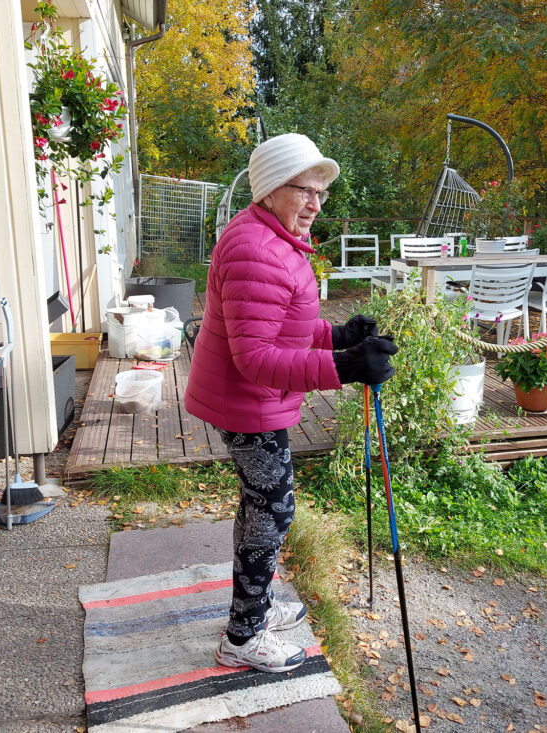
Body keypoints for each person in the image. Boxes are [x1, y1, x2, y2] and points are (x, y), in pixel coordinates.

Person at [184, 133, 398, 674]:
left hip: (255, 400)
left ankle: (251, 610)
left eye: (322, 192)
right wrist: (346, 367)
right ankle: (243, 637)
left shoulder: (272, 237)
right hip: (248, 401)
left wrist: (340, 335)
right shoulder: (255, 248)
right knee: (272, 511)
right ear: (273, 189)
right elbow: (257, 357)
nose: (316, 204)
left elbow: (288, 324)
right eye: (306, 190)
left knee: (263, 508)